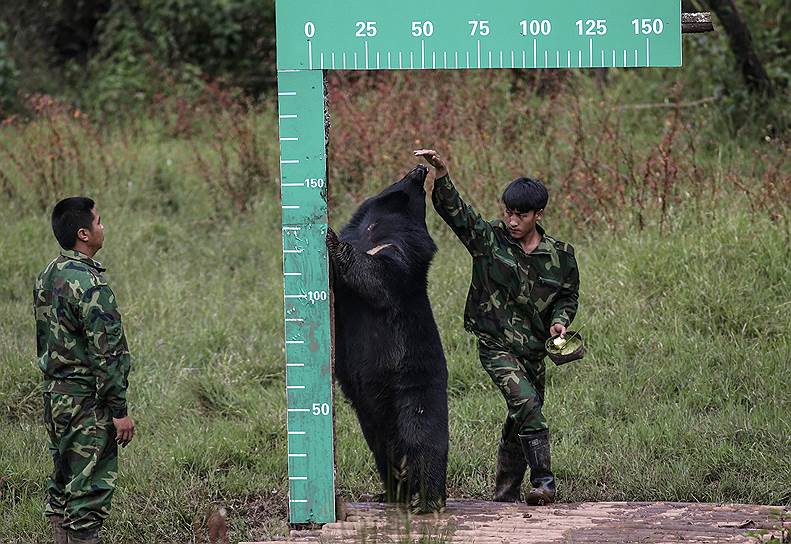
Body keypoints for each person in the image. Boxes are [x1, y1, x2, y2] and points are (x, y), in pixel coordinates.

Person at [414, 149, 579, 505]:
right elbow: (458, 214)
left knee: (520, 417)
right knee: (528, 405)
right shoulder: (489, 240)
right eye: (508, 212)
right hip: (496, 345)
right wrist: (441, 173)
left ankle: (504, 496)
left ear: (539, 214)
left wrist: (560, 322)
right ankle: (545, 482)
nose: (512, 220)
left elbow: (568, 296)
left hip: (534, 351)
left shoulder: (561, 256)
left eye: (521, 214)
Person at [34, 197, 134, 544]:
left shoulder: (48, 274)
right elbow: (106, 355)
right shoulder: (91, 285)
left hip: (54, 398)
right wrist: (119, 411)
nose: (102, 227)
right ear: (84, 234)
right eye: (99, 222)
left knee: (63, 486)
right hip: (86, 404)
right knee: (88, 495)